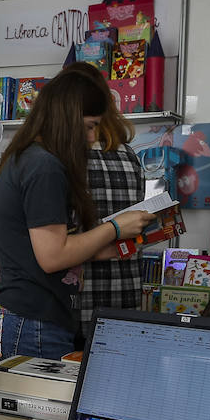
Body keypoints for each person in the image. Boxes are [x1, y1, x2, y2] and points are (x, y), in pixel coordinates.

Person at [0, 64, 155, 365]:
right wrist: (115, 227)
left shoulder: (28, 159)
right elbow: (53, 256)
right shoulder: (44, 166)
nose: (92, 138)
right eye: (89, 126)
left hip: (29, 322)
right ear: (66, 120)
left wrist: (104, 249)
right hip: (32, 325)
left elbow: (42, 249)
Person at [68, 64, 146, 341]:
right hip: (126, 289)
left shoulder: (64, 156)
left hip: (76, 295)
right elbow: (138, 226)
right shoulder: (129, 156)